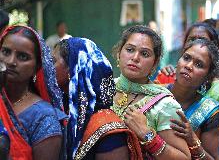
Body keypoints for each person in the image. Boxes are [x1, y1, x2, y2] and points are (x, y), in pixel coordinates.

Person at [53, 37, 143, 160]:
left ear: (73, 69)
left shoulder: (109, 132)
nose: (48, 67)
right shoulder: (64, 109)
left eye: (53, 61)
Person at [111, 25, 191, 159]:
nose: (135, 57)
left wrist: (147, 134)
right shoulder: (102, 88)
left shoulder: (164, 105)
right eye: (130, 50)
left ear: (154, 63)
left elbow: (184, 158)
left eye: (145, 54)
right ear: (119, 53)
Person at [0, 25, 66, 160]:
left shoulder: (44, 117)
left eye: (23, 57)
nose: (11, 62)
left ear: (37, 67)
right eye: (6, 52)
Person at [168, 39, 219, 160]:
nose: (188, 66)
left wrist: (193, 140)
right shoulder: (155, 93)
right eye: (186, 58)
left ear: (208, 77)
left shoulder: (211, 112)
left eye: (199, 65)